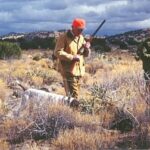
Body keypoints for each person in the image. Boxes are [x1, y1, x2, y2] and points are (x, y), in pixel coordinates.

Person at [54, 18, 91, 99]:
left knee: (74, 96)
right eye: (79, 29)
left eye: (82, 30)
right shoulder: (63, 37)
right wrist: (72, 57)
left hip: (79, 72)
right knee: (73, 97)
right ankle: (71, 111)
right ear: (72, 27)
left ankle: (70, 109)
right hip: (68, 72)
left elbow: (86, 55)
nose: (80, 32)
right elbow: (57, 52)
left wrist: (87, 48)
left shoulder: (81, 38)